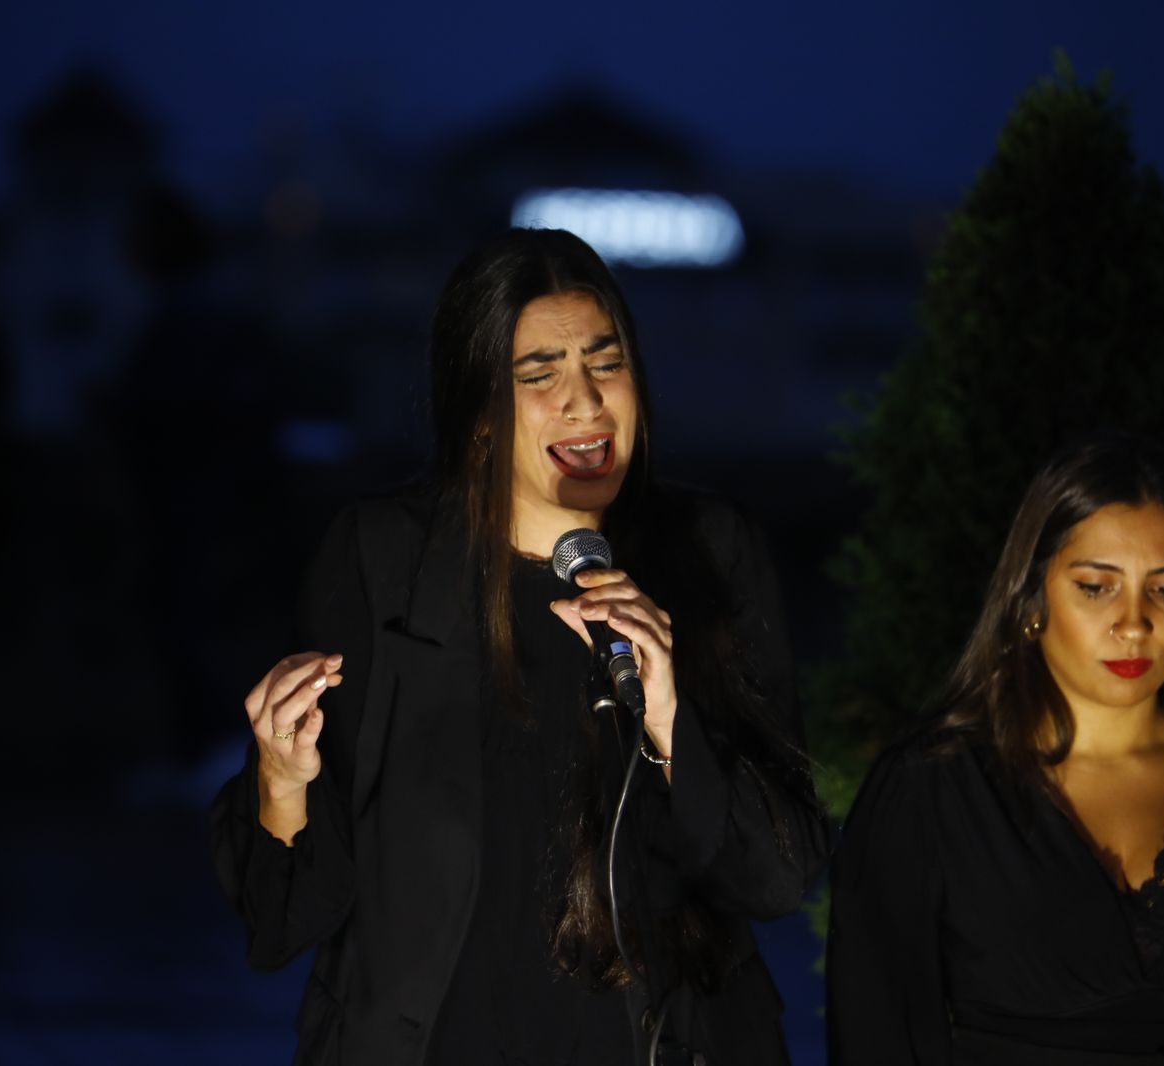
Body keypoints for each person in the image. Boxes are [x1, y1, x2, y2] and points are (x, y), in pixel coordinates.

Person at [211, 228, 828, 1065]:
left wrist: (670, 716)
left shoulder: (711, 551)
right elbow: (284, 916)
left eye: (606, 363)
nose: (586, 401)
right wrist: (282, 781)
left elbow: (779, 878)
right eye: (541, 375)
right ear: (478, 414)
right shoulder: (383, 561)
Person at [826, 434, 1164, 1064]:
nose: (1134, 624)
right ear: (1033, 597)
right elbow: (878, 1033)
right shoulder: (930, 790)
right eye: (1096, 587)